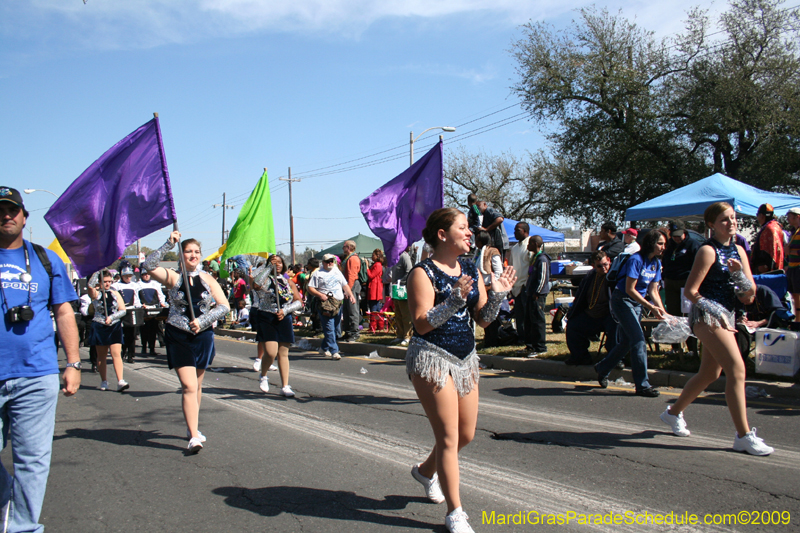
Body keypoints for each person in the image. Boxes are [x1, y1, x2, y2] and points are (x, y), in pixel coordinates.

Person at [406, 207, 515, 533]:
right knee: (449, 438)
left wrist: (497, 295)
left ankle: (425, 471)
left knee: (465, 434)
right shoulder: (421, 273)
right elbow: (422, 325)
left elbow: (483, 319)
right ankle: (456, 513)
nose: (471, 233)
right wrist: (453, 300)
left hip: (466, 359)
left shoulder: (471, 268)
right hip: (431, 358)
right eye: (464, 227)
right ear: (443, 234)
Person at [659, 202, 774, 456]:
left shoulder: (740, 252)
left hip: (729, 317)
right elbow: (691, 292)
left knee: (710, 373)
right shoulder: (707, 251)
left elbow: (750, 295)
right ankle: (743, 436)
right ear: (711, 224)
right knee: (737, 369)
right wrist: (717, 311)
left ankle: (673, 412)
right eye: (724, 219)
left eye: (733, 218)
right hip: (706, 318)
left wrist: (739, 276)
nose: (731, 223)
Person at [0, 187, 80, 533]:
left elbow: (64, 312)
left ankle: (22, 527)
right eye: (0, 210)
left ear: (23, 216)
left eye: (12, 210)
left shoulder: (47, 259)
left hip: (37, 374)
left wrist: (74, 363)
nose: (6, 215)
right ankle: (8, 500)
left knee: (32, 460)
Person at [144, 231, 230, 454]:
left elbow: (224, 306)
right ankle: (193, 436)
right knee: (189, 386)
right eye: (188, 251)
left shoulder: (208, 278)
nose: (193, 255)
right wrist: (168, 244)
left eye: (197, 252)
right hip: (178, 335)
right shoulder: (173, 276)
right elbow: (148, 265)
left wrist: (202, 321)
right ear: (181, 255)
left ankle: (194, 426)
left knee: (198, 386)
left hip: (202, 336)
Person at [595, 229, 667, 397]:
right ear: (650, 243)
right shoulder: (636, 260)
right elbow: (630, 289)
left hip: (637, 303)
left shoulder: (655, 263)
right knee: (639, 341)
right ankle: (642, 385)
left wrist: (661, 310)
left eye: (664, 244)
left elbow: (653, 290)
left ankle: (602, 368)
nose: (663, 247)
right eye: (660, 243)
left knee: (626, 342)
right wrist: (650, 307)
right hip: (623, 301)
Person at [249, 255, 302, 397]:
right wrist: (267, 268)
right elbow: (256, 285)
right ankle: (264, 375)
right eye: (274, 262)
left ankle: (285, 385)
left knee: (283, 353)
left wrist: (285, 310)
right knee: (271, 353)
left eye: (279, 262)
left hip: (284, 317)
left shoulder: (287, 281)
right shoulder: (264, 279)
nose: (277, 264)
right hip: (266, 317)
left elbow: (298, 302)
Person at [564, 251, 618, 366]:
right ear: (593, 266)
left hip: (609, 314)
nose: (603, 268)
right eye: (599, 266)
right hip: (591, 314)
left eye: (605, 264)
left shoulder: (614, 275)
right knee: (573, 326)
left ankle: (616, 359)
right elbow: (580, 297)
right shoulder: (590, 277)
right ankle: (581, 357)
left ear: (609, 260)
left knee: (615, 328)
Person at [307, 254, 356, 360]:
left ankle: (324, 348)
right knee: (329, 327)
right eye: (328, 261)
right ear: (323, 262)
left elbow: (345, 285)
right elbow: (310, 288)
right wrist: (320, 295)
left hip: (338, 303)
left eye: (332, 261)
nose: (330, 263)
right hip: (325, 304)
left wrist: (351, 295)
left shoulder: (337, 271)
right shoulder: (318, 273)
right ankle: (334, 351)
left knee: (335, 328)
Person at [662, 220, 701, 355]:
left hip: (686, 283)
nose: (677, 238)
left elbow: (698, 266)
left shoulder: (693, 245)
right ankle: (676, 347)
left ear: (685, 232)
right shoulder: (669, 246)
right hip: (670, 282)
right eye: (674, 235)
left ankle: (692, 348)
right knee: (673, 315)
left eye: (679, 235)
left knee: (688, 316)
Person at [87, 270, 129, 392]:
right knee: (102, 356)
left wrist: (112, 317)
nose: (108, 284)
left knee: (116, 354)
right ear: (99, 282)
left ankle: (120, 380)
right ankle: (104, 380)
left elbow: (123, 309)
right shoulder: (95, 293)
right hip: (100, 325)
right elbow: (90, 287)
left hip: (114, 325)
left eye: (110, 281)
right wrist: (97, 270)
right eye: (105, 282)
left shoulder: (115, 293)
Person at [475, 230, 503, 347]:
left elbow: (498, 271)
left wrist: (491, 285)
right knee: (484, 314)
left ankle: (494, 339)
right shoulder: (478, 253)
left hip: (490, 287)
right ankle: (488, 339)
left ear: (481, 241)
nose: (474, 242)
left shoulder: (493, 251)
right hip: (482, 288)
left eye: (476, 240)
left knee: (492, 316)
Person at [524, 235, 550, 357]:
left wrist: (537, 292)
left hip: (537, 295)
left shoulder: (542, 259)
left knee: (538, 320)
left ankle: (540, 347)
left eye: (529, 243)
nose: (527, 245)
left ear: (535, 243)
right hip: (530, 293)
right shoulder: (534, 257)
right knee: (529, 320)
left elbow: (543, 278)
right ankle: (530, 345)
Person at [507, 222, 533, 344]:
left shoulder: (531, 244)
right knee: (519, 314)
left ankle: (530, 337)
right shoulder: (515, 248)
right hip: (516, 285)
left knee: (528, 314)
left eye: (517, 230)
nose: (515, 233)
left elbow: (532, 265)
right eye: (514, 230)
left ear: (525, 231)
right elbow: (512, 266)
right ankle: (521, 337)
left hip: (526, 284)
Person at [112, 264, 141, 363]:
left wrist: (138, 306)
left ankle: (131, 355)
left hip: (131, 311)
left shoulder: (134, 285)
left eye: (129, 276)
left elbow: (136, 298)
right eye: (126, 276)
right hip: (121, 312)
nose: (128, 278)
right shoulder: (116, 286)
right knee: (122, 334)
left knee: (132, 335)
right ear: (121, 275)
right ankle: (122, 352)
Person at [137, 267, 168, 355]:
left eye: (147, 274)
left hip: (154, 309)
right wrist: (140, 305)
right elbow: (135, 297)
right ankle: (144, 348)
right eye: (144, 275)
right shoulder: (138, 285)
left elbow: (161, 295)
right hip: (144, 310)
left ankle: (152, 348)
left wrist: (162, 303)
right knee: (144, 330)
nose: (146, 276)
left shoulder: (155, 284)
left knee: (153, 330)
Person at [390, 245, 415, 346]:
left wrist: (400, 282)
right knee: (398, 313)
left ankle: (407, 336)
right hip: (395, 290)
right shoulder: (395, 257)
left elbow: (409, 270)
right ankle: (399, 335)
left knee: (405, 314)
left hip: (403, 289)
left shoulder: (404, 256)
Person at [751, 203, 784, 273]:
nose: (757, 218)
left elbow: (767, 252)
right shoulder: (776, 226)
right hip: (776, 267)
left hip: (767, 271)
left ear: (762, 216)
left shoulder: (768, 229)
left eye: (757, 215)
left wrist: (762, 267)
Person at [340, 240, 362, 342]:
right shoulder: (348, 258)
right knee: (347, 310)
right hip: (348, 286)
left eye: (344, 247)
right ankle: (348, 332)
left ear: (349, 247)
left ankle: (354, 332)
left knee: (353, 309)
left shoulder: (353, 259)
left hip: (351, 286)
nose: (343, 249)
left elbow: (352, 275)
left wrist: (348, 290)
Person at [785, 207, 800, 321]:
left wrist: (790, 251)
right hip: (792, 267)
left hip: (798, 267)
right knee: (794, 295)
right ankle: (797, 319)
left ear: (797, 217)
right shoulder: (793, 232)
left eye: (790, 216)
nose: (788, 219)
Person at [366, 249, 385, 333]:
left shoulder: (378, 265)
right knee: (377, 308)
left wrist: (367, 267)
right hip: (375, 287)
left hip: (375, 288)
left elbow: (371, 275)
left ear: (377, 256)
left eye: (373, 255)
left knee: (374, 307)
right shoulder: (377, 264)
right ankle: (379, 325)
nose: (371, 257)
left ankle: (373, 326)